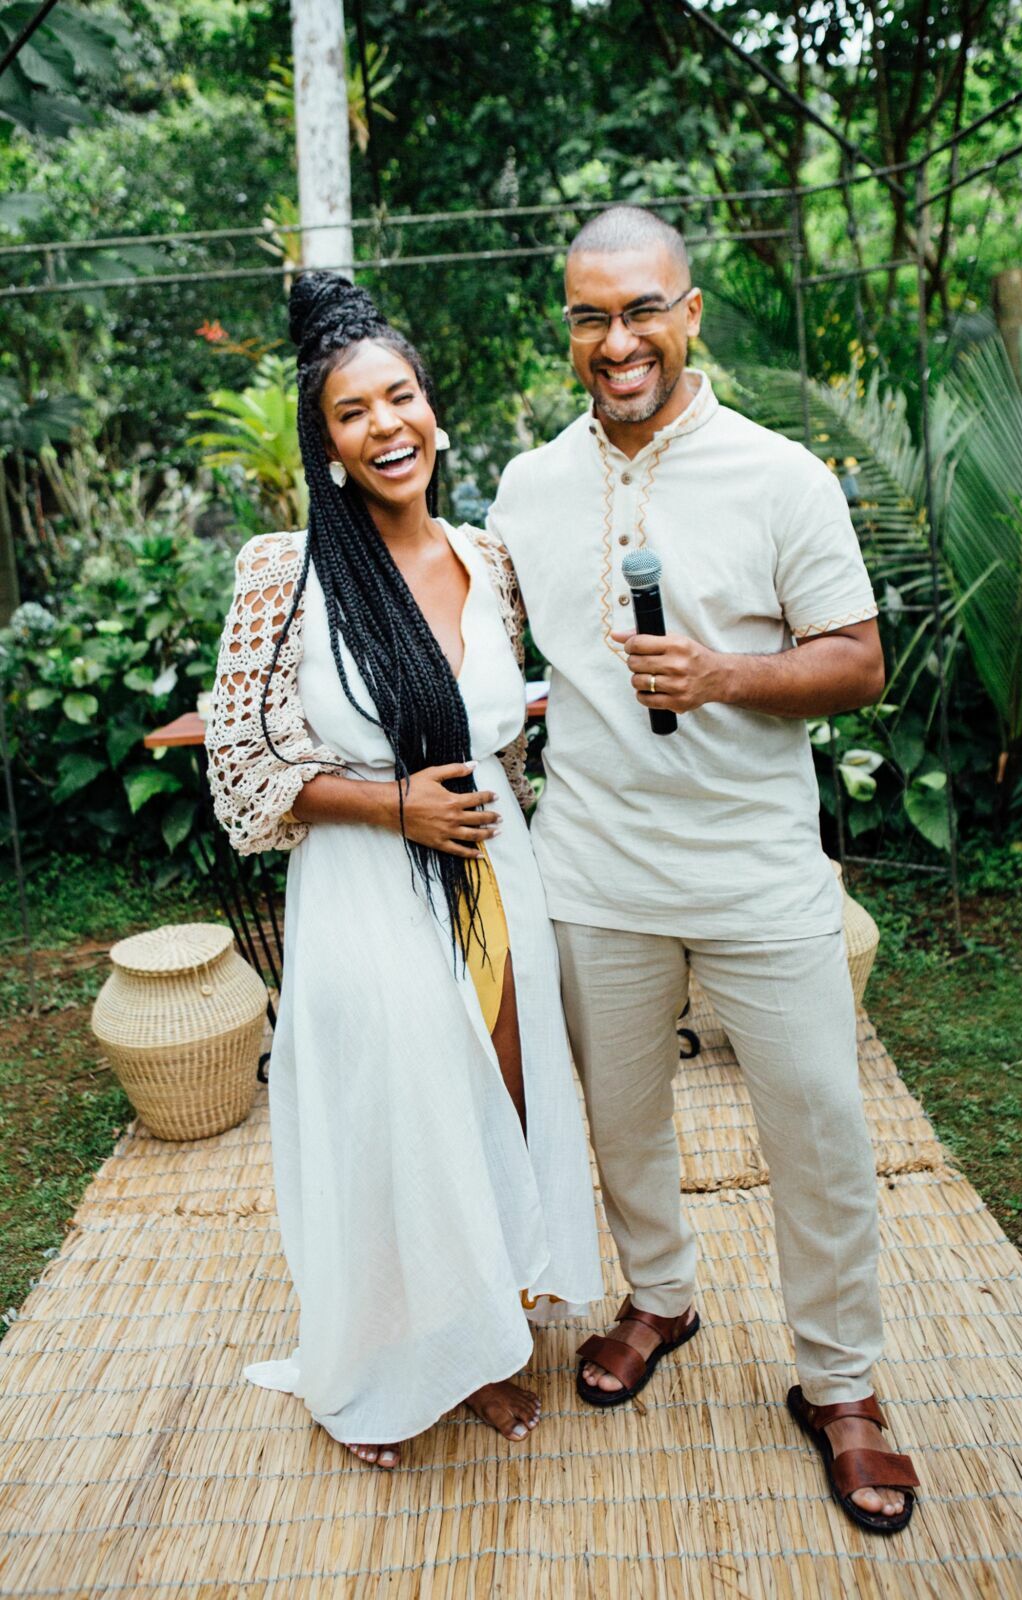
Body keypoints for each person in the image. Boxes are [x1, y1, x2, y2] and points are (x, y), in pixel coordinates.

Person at [487, 205, 919, 1534]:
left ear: (688, 315)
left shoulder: (778, 475)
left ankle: (837, 1385)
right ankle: (658, 1298)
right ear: (567, 327)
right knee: (618, 1121)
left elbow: (857, 661)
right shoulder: (526, 486)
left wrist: (726, 672)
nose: (613, 341)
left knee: (819, 1132)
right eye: (586, 316)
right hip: (594, 870)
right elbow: (477, 640)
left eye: (638, 311)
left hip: (754, 870)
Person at [206, 272, 602, 1470]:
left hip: (490, 882)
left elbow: (507, 725)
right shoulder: (287, 572)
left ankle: (479, 1338)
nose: (387, 427)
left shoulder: (486, 557)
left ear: (433, 410)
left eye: (402, 397)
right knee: (394, 1121)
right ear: (325, 444)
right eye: (352, 412)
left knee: (499, 1100)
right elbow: (243, 758)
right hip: (368, 889)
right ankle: (379, 1366)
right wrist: (390, 804)